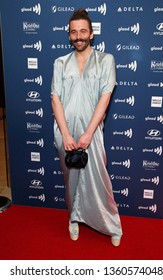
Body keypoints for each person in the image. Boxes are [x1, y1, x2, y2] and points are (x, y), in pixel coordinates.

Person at [51, 9, 122, 246]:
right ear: (69, 35)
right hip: (65, 132)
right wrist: (66, 134)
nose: (78, 36)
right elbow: (55, 98)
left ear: (91, 34)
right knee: (70, 179)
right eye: (74, 32)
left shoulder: (106, 60)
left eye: (83, 31)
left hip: (92, 133)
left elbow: (105, 96)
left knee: (99, 179)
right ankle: (73, 219)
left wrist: (89, 133)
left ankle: (110, 222)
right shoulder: (60, 63)